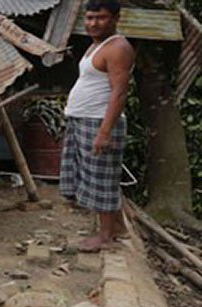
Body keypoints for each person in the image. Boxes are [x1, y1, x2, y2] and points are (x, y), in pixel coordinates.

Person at [60, 0, 135, 252]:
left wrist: (105, 132)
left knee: (102, 179)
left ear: (116, 18)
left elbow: (119, 92)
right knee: (92, 177)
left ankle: (105, 237)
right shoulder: (97, 45)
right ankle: (118, 227)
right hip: (83, 119)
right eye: (90, 18)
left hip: (99, 121)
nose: (93, 23)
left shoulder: (118, 47)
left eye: (100, 18)